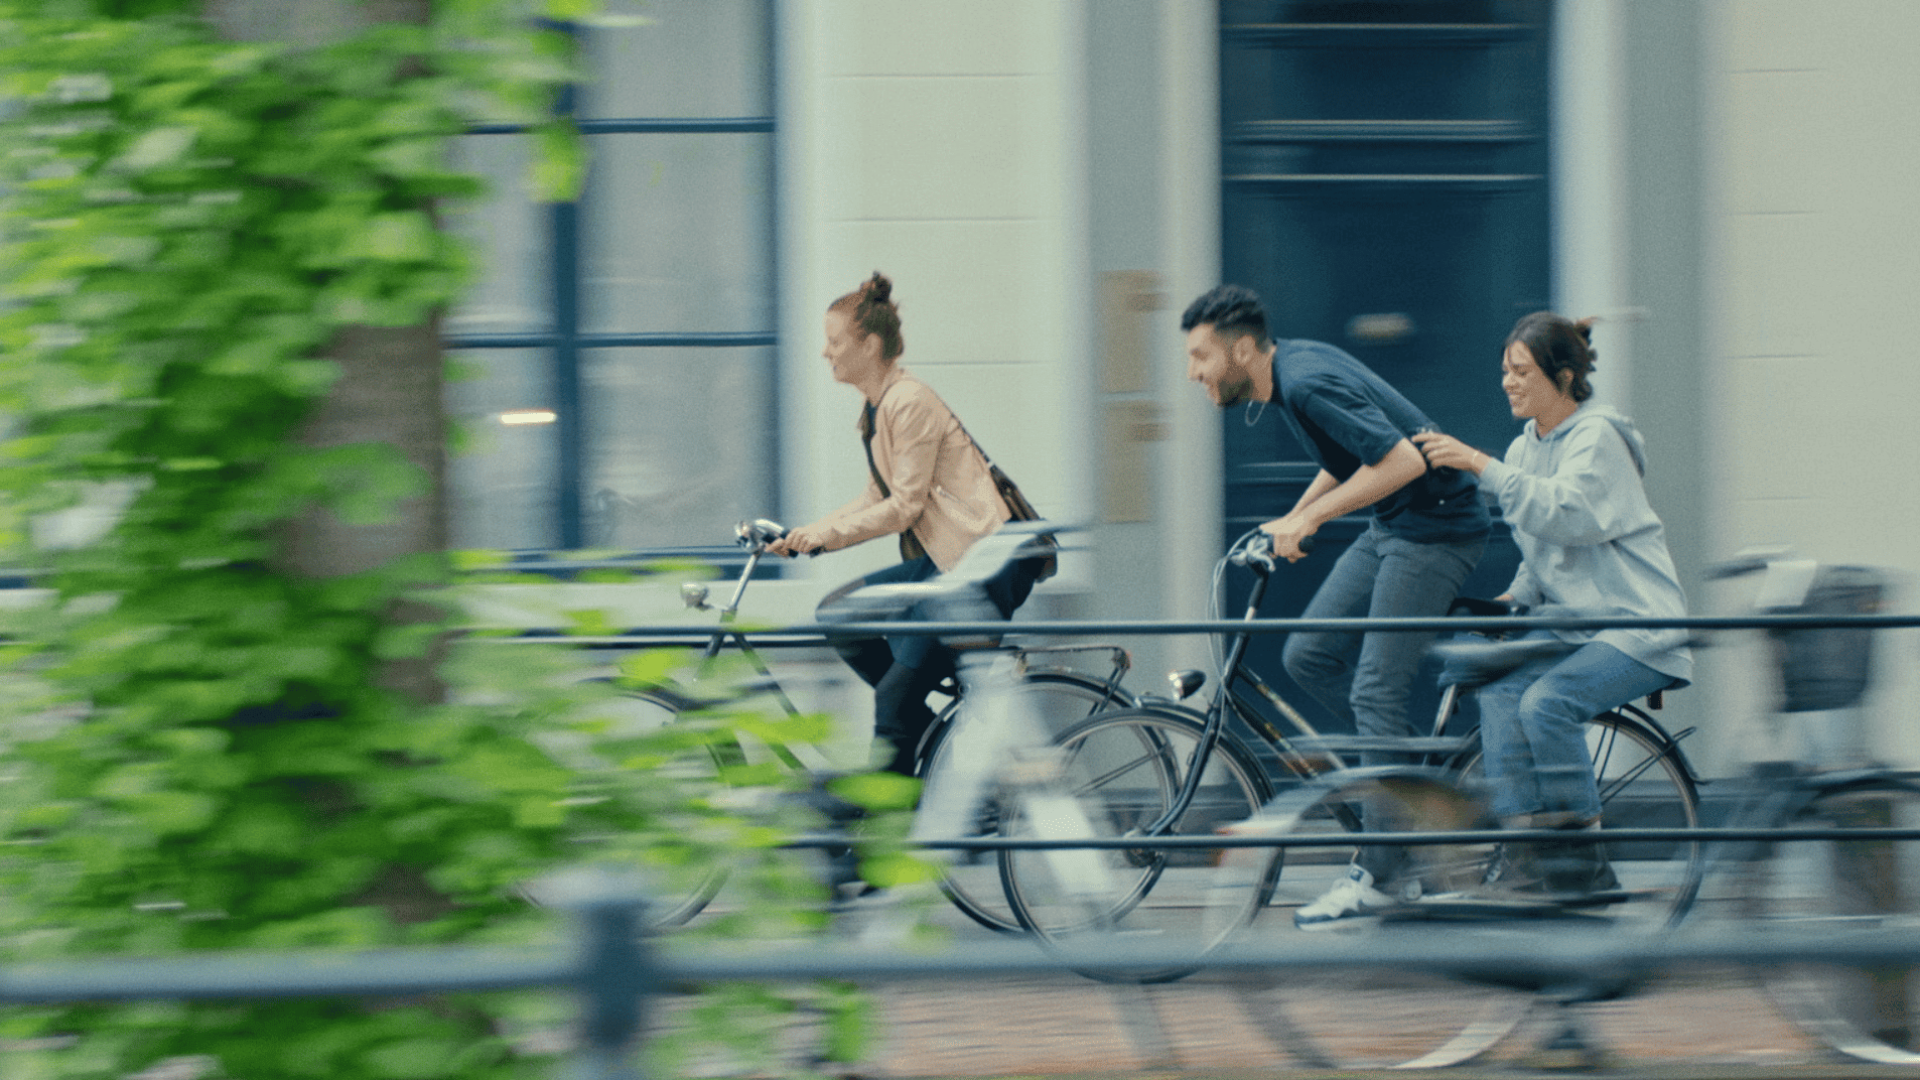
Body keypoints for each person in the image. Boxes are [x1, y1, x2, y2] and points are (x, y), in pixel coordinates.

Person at [1181, 284, 1490, 929]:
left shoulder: (1305, 381)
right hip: (1393, 527)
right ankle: (1407, 774)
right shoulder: (1290, 369)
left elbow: (1400, 460)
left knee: (1375, 693)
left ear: (1241, 350)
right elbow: (1356, 457)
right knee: (1310, 654)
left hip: (1435, 532)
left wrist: (1314, 517)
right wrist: (1292, 518)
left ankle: (1383, 871)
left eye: (1200, 357)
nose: (1194, 374)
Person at [1413, 312, 1691, 895]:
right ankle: (1526, 855)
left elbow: (1570, 515)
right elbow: (1539, 543)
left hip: (1638, 626)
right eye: (1504, 372)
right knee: (1501, 695)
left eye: (1520, 371)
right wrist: (1515, 598)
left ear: (1563, 377)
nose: (1507, 383)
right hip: (1577, 628)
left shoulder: (1599, 437)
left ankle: (1586, 859)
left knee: (1547, 704)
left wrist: (1477, 464)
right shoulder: (1524, 447)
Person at [769, 272, 1038, 780]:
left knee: (893, 697)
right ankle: (926, 733)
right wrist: (808, 532)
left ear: (869, 345)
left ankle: (893, 823)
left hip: (977, 565)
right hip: (941, 563)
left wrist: (824, 538)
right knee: (840, 616)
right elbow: (878, 494)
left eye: (834, 342)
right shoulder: (877, 407)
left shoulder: (908, 402)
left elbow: (904, 508)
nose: (825, 352)